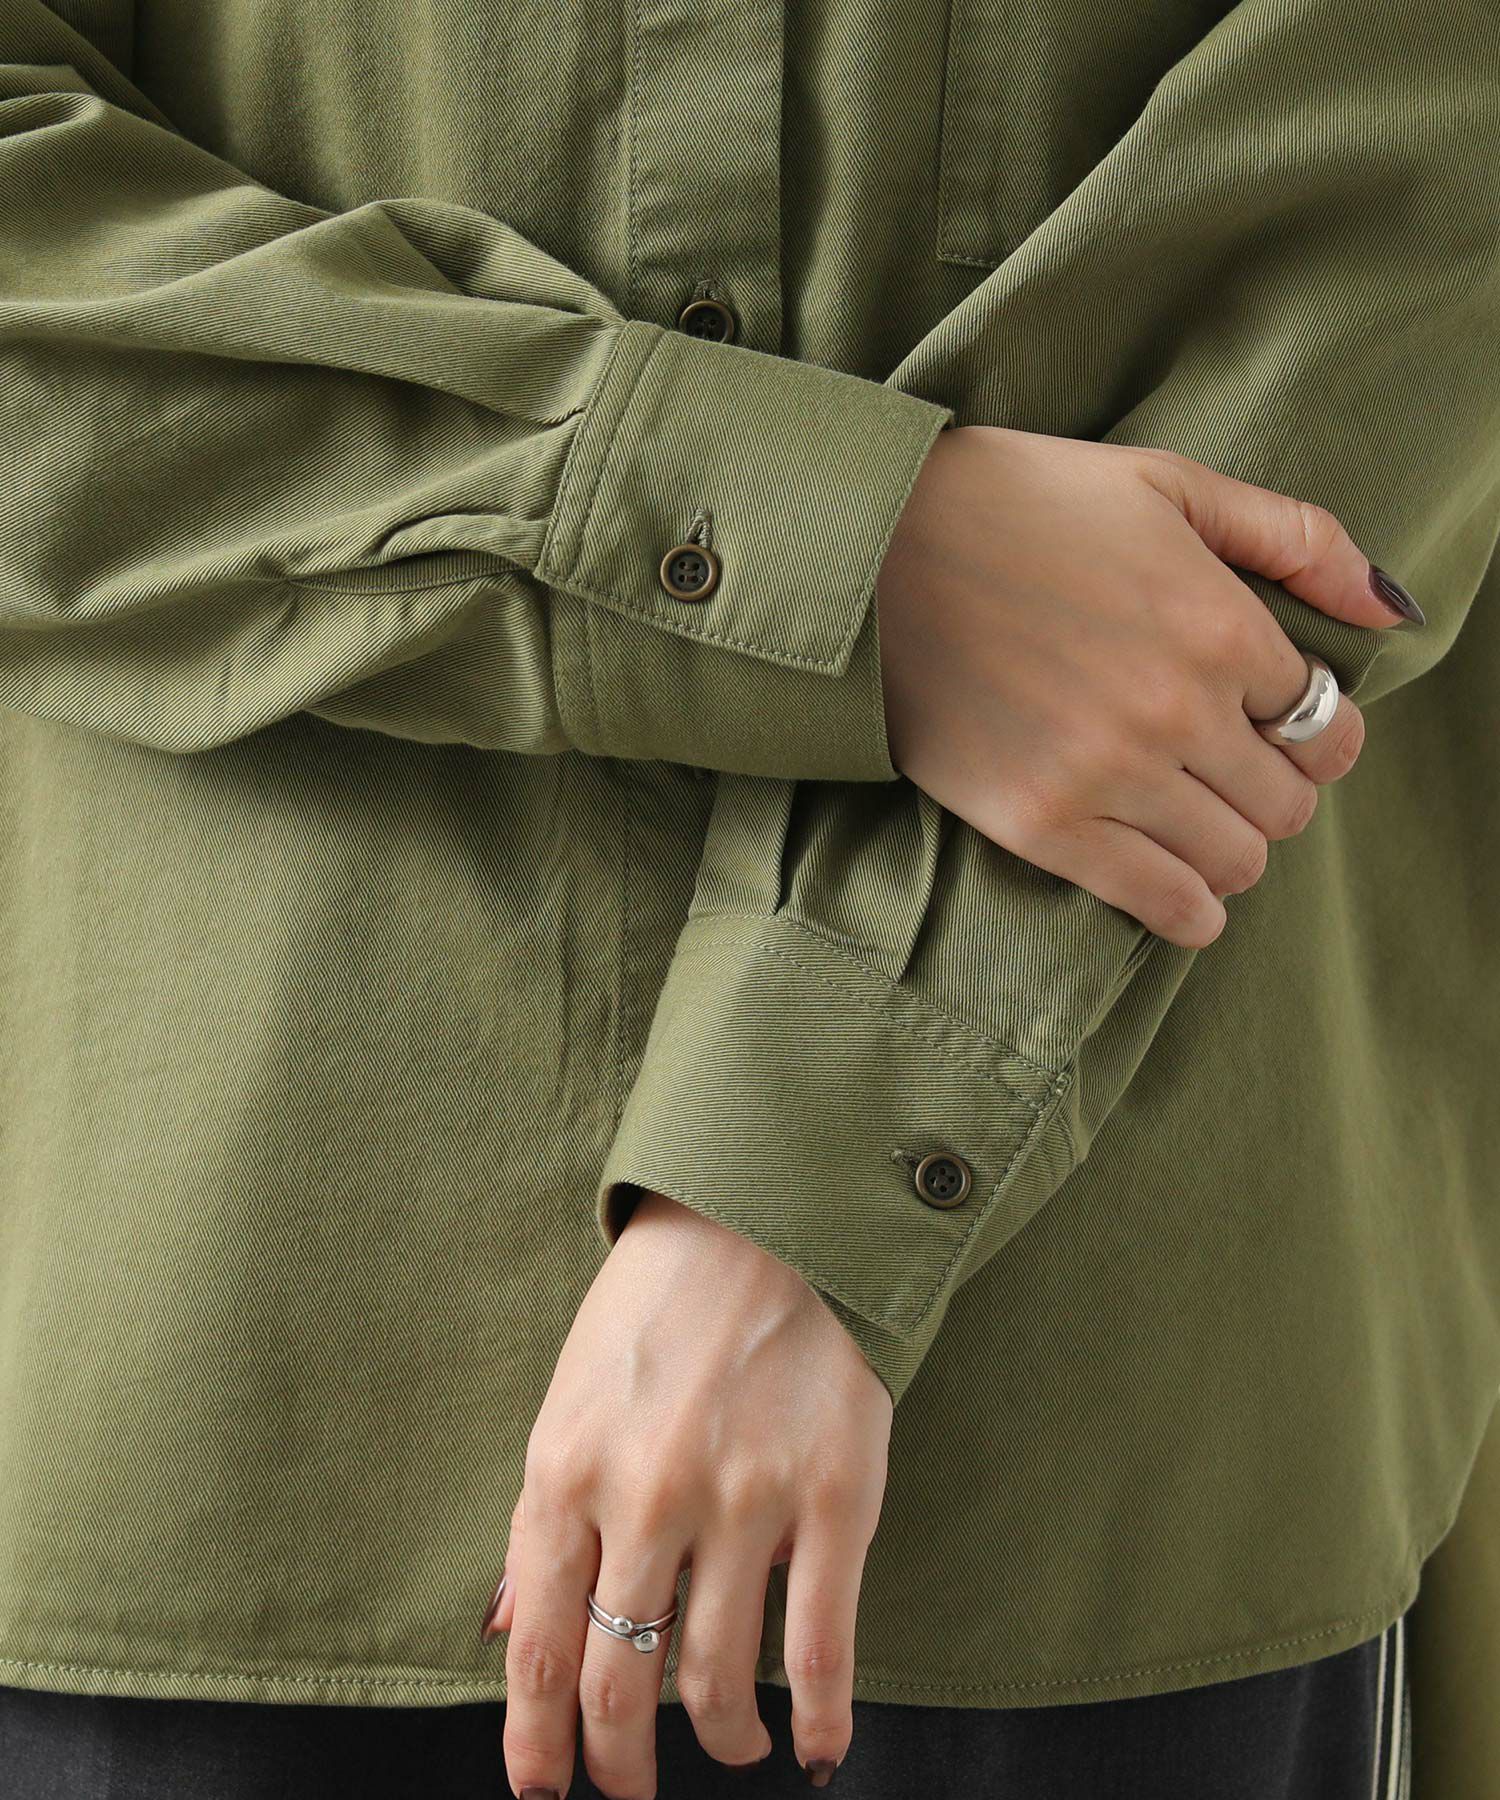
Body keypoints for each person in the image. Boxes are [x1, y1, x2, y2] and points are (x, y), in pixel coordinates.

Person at [0, 2, 1494, 1797]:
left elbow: (1399, 220)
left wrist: (807, 1149)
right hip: (198, 1401)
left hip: (1093, 1434)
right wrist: (851, 553)